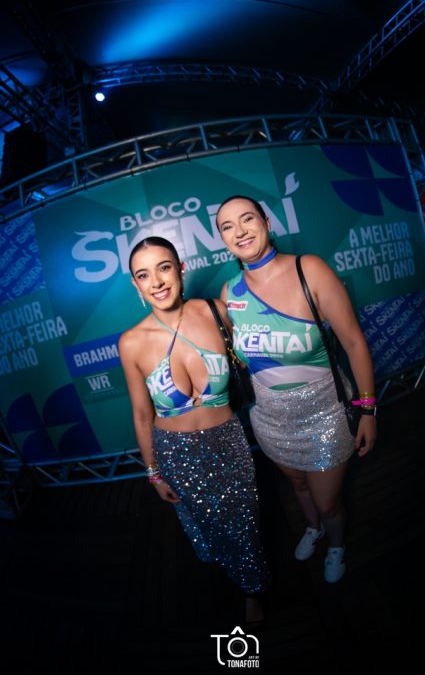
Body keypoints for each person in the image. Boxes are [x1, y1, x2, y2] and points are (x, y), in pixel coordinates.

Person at [216, 195, 377, 583]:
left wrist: (368, 410)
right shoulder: (229, 293)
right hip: (270, 420)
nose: (240, 231)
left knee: (327, 500)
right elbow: (239, 358)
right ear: (222, 239)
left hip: (325, 416)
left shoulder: (310, 270)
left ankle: (336, 543)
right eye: (227, 226)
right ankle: (313, 527)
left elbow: (354, 342)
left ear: (267, 223)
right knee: (298, 485)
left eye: (247, 219)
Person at [118, 236, 271, 624]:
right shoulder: (131, 343)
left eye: (164, 267)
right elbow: (141, 414)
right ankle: (225, 572)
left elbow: (257, 354)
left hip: (229, 442)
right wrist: (153, 472)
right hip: (175, 452)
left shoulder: (216, 311)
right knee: (204, 522)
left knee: (246, 524)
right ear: (135, 285)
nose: (156, 281)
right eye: (143, 275)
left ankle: (253, 590)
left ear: (181, 269)